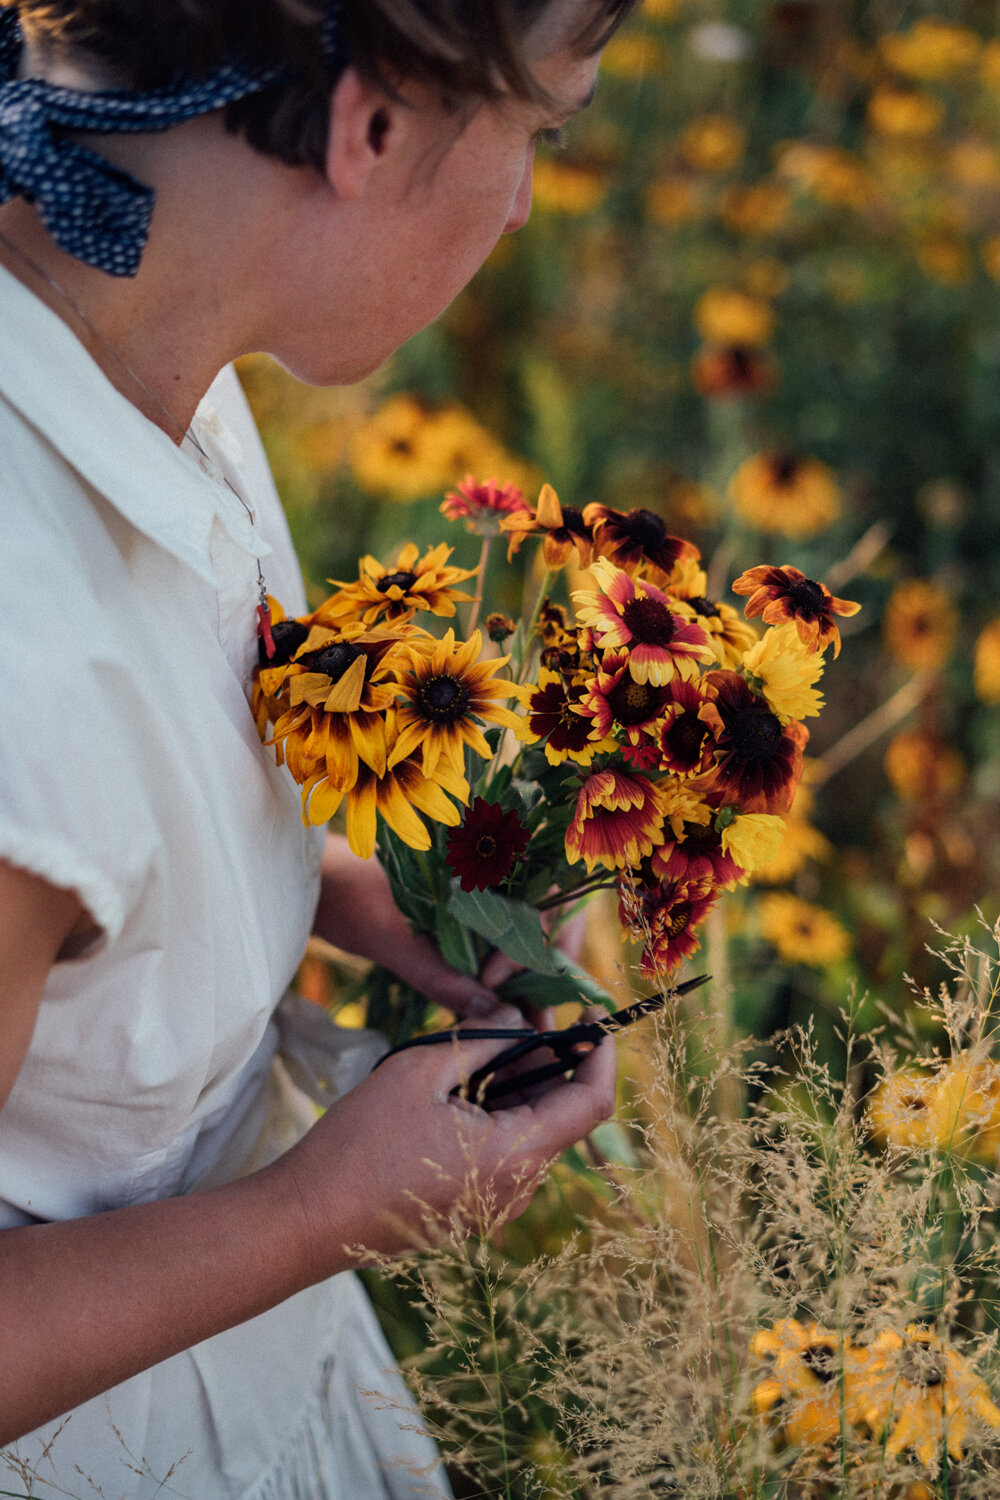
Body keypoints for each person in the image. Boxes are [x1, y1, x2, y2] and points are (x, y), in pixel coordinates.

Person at [0, 0, 630, 1493]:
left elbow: (142, 805)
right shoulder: (21, 654)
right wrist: (325, 1210)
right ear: (377, 125)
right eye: (546, 126)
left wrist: (359, 896)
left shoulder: (141, 346)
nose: (528, 201)